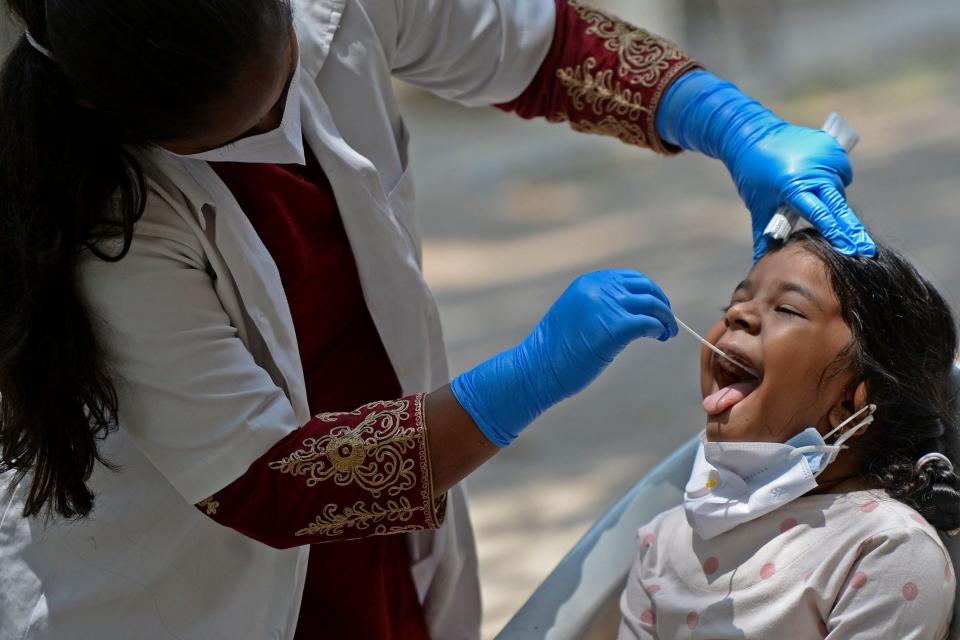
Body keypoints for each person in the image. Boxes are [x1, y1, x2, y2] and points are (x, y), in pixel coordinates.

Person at [0, 0, 874, 638]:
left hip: (384, 550)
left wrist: (726, 121)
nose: (278, 128)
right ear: (107, 112)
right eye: (232, 134)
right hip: (192, 586)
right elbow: (266, 482)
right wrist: (520, 382)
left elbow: (539, 46)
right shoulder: (110, 227)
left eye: (789, 307)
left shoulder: (883, 561)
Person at [619, 229, 959, 639]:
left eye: (788, 308)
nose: (737, 315)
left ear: (853, 403)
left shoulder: (885, 549)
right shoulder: (667, 539)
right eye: (736, 301)